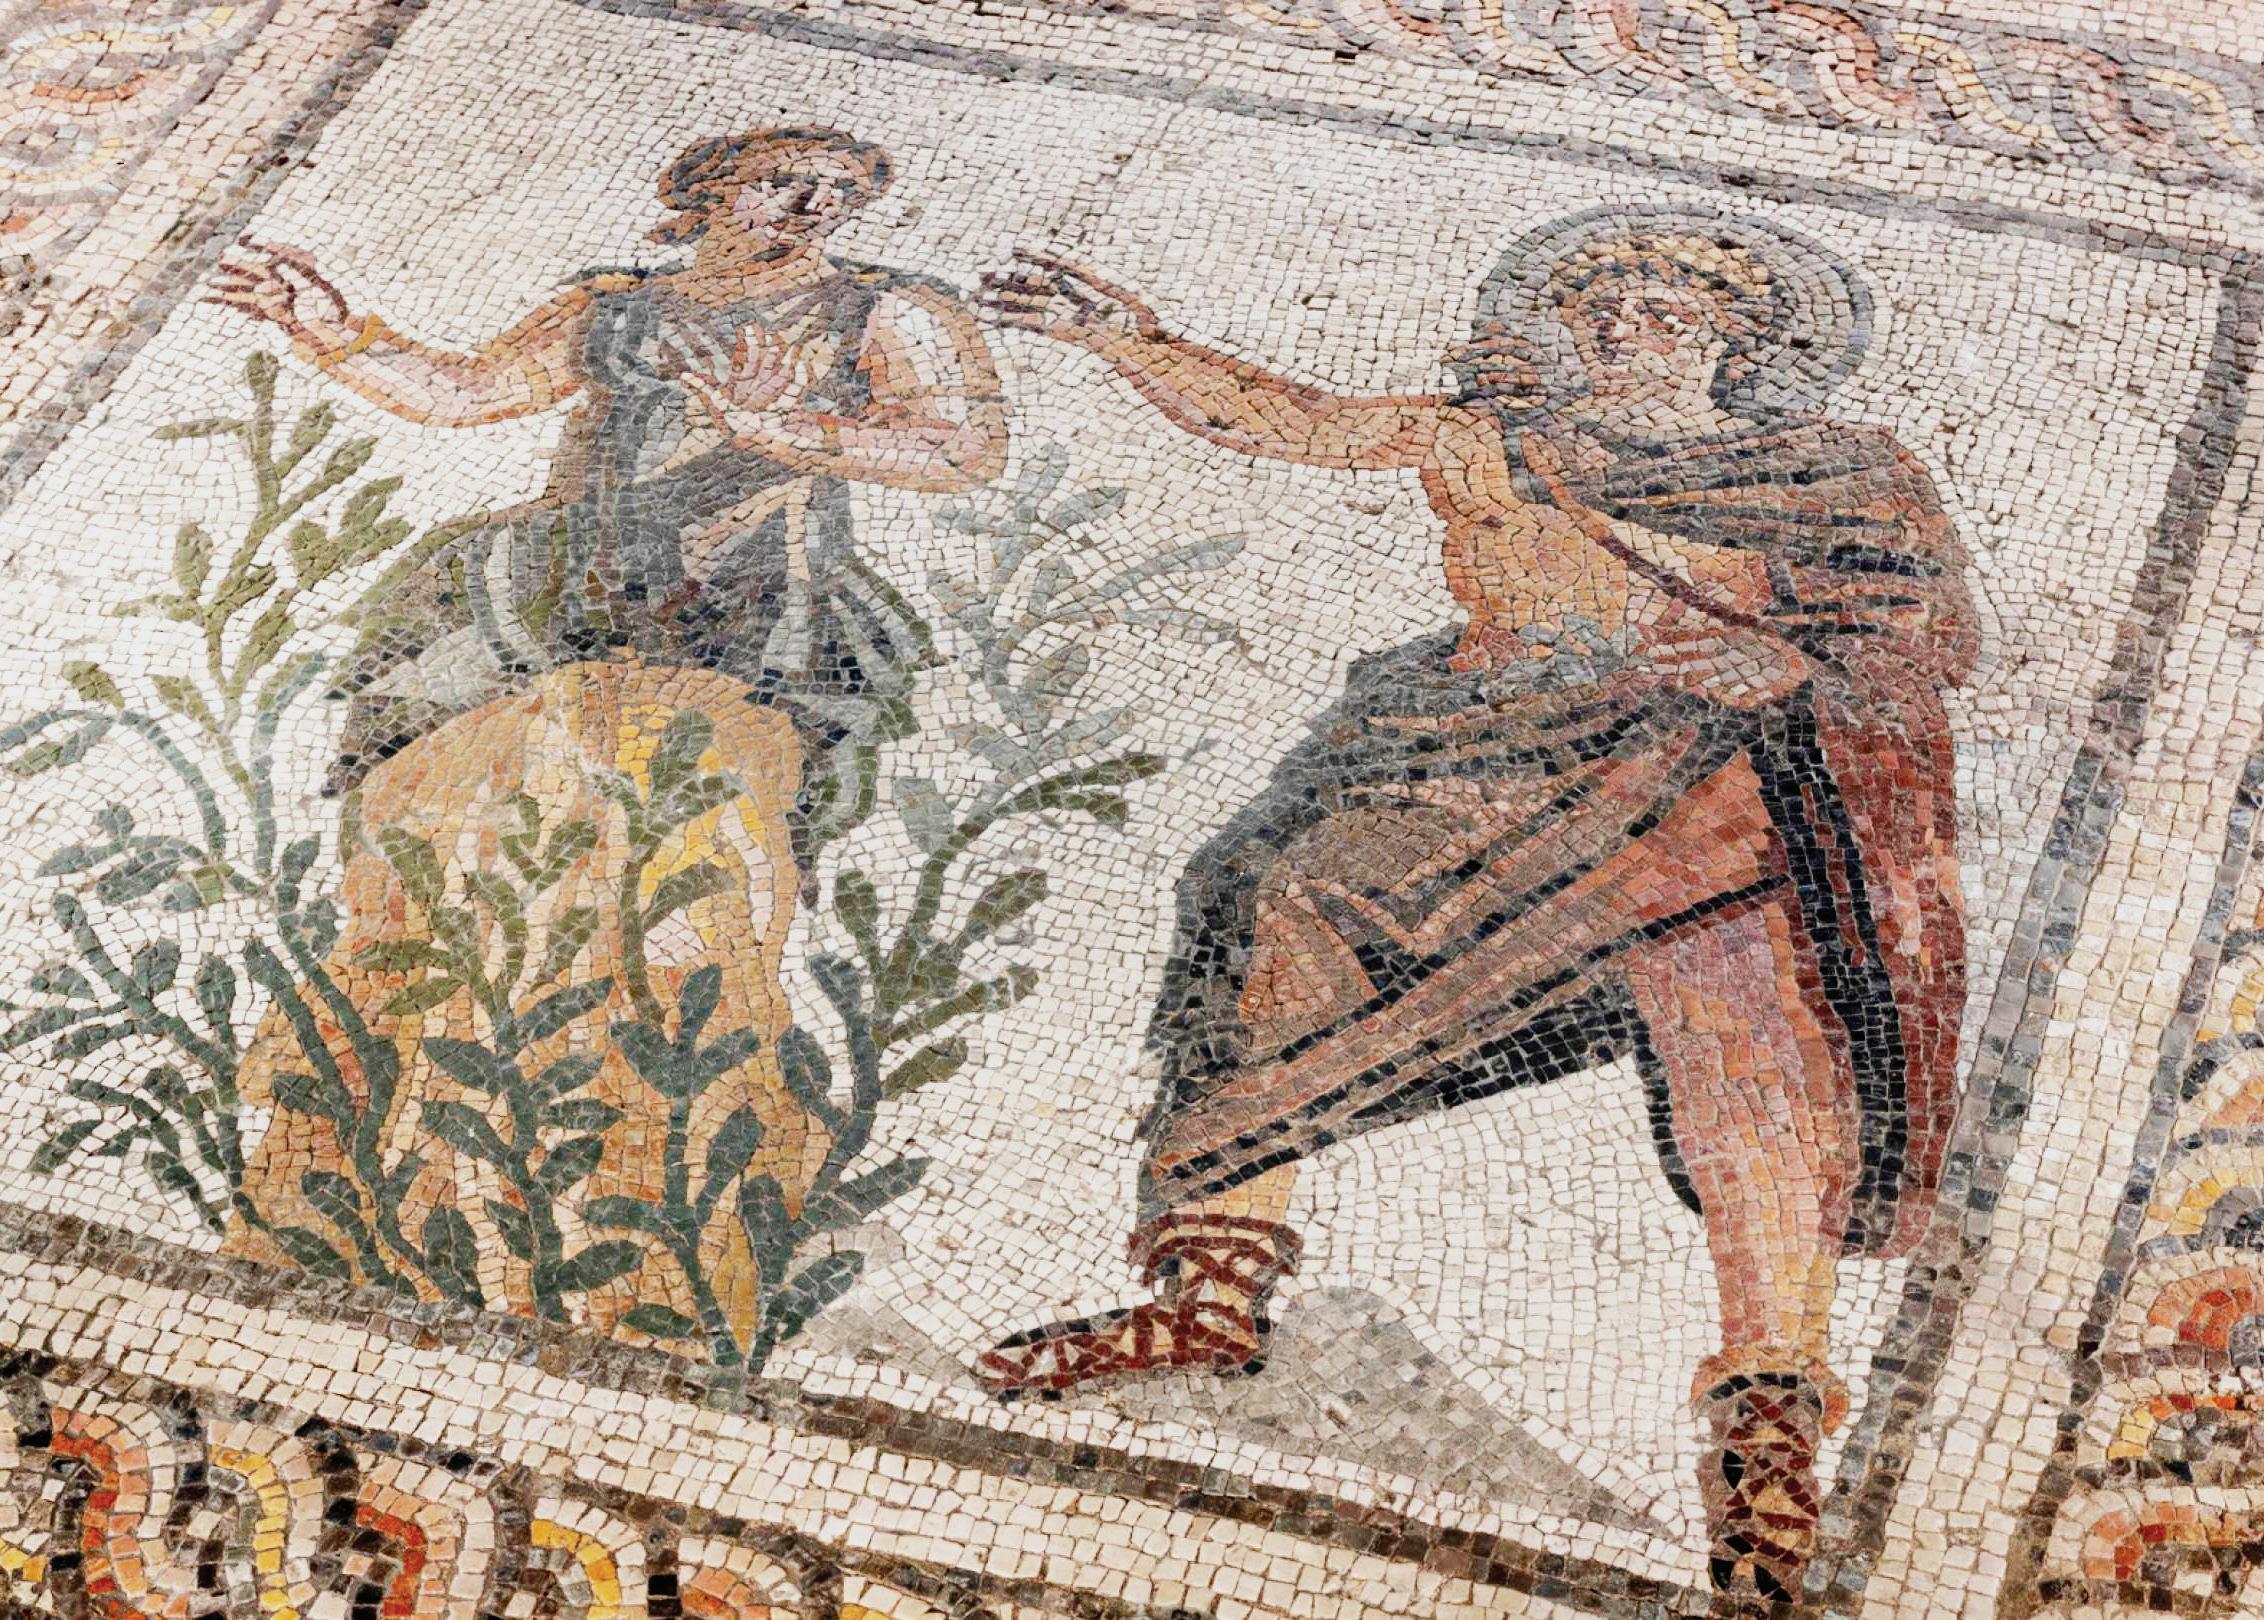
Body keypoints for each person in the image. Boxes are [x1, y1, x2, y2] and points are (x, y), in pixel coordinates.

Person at [972, 212, 1976, 1598]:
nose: (1624, 330)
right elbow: (1293, 422)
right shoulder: (1491, 438)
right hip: (1466, 750)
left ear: (1741, 342)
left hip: (1698, 774)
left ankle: (1769, 1426)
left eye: (1665, 312)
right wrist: (1130, 342)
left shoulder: (1841, 473)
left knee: (1746, 1053)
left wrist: (1787, 668)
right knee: (1266, 898)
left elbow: (1926, 637)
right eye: (1601, 308)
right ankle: (1209, 1293)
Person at [207, 126, 1007, 791]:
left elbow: (962, 452)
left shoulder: (884, 311)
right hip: (567, 572)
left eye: (839, 192)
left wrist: (776, 429)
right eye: (783, 182)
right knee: (421, 755)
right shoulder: (616, 306)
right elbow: (470, 392)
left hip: (761, 588)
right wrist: (329, 333)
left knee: (743, 805)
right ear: (712, 192)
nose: (814, 205)